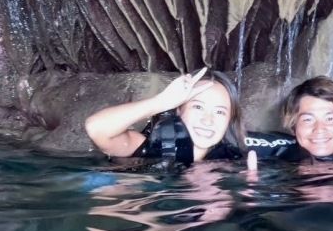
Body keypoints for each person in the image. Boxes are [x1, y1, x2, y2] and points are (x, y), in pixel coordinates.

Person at [84, 68, 246, 165]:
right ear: (178, 110)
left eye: (219, 112)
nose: (208, 120)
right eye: (198, 107)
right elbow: (96, 128)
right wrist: (162, 102)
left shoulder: (235, 157)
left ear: (230, 119)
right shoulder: (148, 147)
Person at [248, 76, 333, 164]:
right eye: (308, 120)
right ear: (293, 127)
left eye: (330, 119)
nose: (319, 129)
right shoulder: (274, 149)